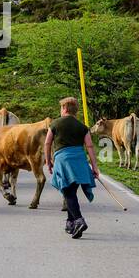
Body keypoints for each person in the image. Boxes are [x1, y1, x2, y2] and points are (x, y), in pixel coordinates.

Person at [43, 96, 100, 239]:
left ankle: (79, 220)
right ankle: (71, 223)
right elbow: (89, 146)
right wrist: (94, 167)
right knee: (71, 191)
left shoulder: (55, 124)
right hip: (79, 161)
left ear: (64, 108)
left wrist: (48, 160)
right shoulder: (82, 127)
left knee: (68, 192)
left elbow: (47, 143)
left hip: (63, 161)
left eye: (61, 107)